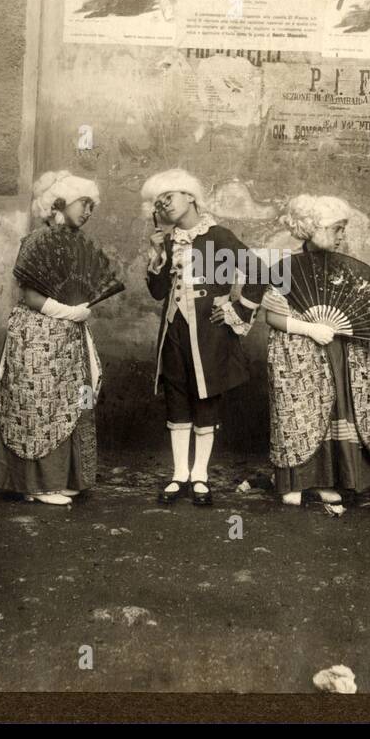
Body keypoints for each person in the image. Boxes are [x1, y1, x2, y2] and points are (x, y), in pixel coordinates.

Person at [142, 168, 266, 506]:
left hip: (209, 333)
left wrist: (236, 309)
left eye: (169, 196)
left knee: (206, 397)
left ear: (191, 197)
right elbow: (157, 292)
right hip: (174, 330)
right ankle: (179, 474)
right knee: (177, 394)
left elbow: (259, 272)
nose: (163, 204)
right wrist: (156, 255)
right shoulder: (166, 240)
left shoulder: (218, 236)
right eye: (158, 201)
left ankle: (200, 476)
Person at [0, 171, 103, 506]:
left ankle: (65, 478)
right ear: (60, 203)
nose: (89, 211)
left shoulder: (76, 243)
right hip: (37, 335)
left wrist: (78, 313)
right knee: (36, 404)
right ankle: (34, 485)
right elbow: (33, 296)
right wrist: (72, 312)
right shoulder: (38, 240)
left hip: (67, 337)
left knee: (72, 400)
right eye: (84, 203)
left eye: (92, 205)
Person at [262, 195, 370, 506]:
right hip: (298, 350)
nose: (342, 237)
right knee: (298, 413)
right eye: (337, 229)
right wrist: (310, 328)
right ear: (313, 227)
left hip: (336, 350)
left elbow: (364, 310)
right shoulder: (286, 267)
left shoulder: (347, 268)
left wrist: (369, 336)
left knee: (332, 412)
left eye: (343, 230)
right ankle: (294, 482)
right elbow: (272, 316)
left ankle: (326, 480)